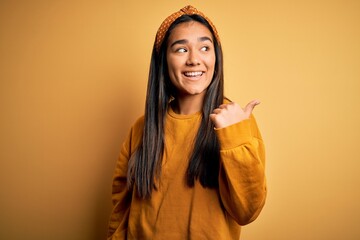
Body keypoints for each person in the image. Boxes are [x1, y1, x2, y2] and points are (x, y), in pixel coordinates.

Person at [107, 5, 266, 240]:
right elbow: (121, 213)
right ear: (163, 61)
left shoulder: (236, 124)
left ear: (216, 59)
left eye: (204, 47)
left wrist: (234, 136)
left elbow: (247, 211)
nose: (194, 59)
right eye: (181, 49)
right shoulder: (141, 129)